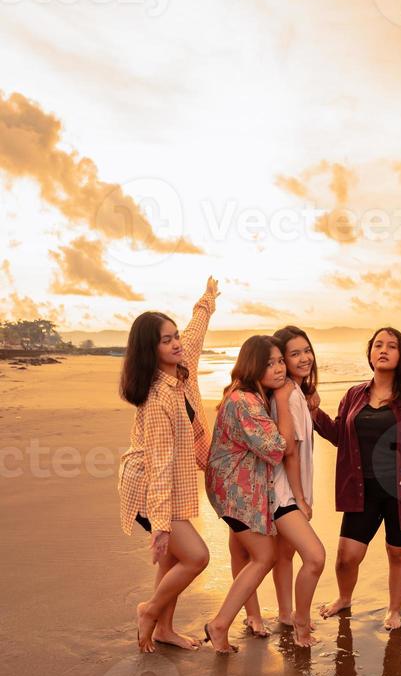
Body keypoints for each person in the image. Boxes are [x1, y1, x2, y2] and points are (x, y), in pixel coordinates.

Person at [118, 276, 218, 653]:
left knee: (175, 559)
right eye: (166, 339)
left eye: (174, 336)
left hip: (168, 483)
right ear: (150, 349)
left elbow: (196, 330)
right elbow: (159, 467)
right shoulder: (158, 398)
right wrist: (160, 526)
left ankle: (164, 629)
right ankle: (150, 610)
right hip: (148, 488)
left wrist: (207, 298)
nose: (176, 343)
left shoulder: (183, 364)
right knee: (196, 556)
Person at [309, 327, 401, 630]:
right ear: (370, 353)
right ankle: (345, 598)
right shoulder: (354, 395)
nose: (384, 349)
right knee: (346, 557)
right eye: (378, 344)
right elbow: (339, 434)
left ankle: (394, 610)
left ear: (400, 355)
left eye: (392, 345)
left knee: (398, 553)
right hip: (360, 489)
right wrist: (313, 411)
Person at [204, 336, 296, 653]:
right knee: (265, 556)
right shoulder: (245, 402)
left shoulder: (247, 395)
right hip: (236, 490)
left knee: (242, 552)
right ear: (252, 365)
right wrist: (284, 401)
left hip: (229, 486)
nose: (278, 368)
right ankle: (219, 624)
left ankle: (252, 616)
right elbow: (276, 449)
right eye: (269, 363)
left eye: (280, 361)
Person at [269, 326, 325, 647]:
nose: (304, 358)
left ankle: (286, 615)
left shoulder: (297, 393)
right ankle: (300, 626)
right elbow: (289, 450)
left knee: (284, 555)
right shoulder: (287, 395)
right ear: (281, 361)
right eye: (294, 354)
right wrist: (301, 498)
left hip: (289, 488)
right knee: (315, 557)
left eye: (307, 350)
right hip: (284, 493)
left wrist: (312, 406)